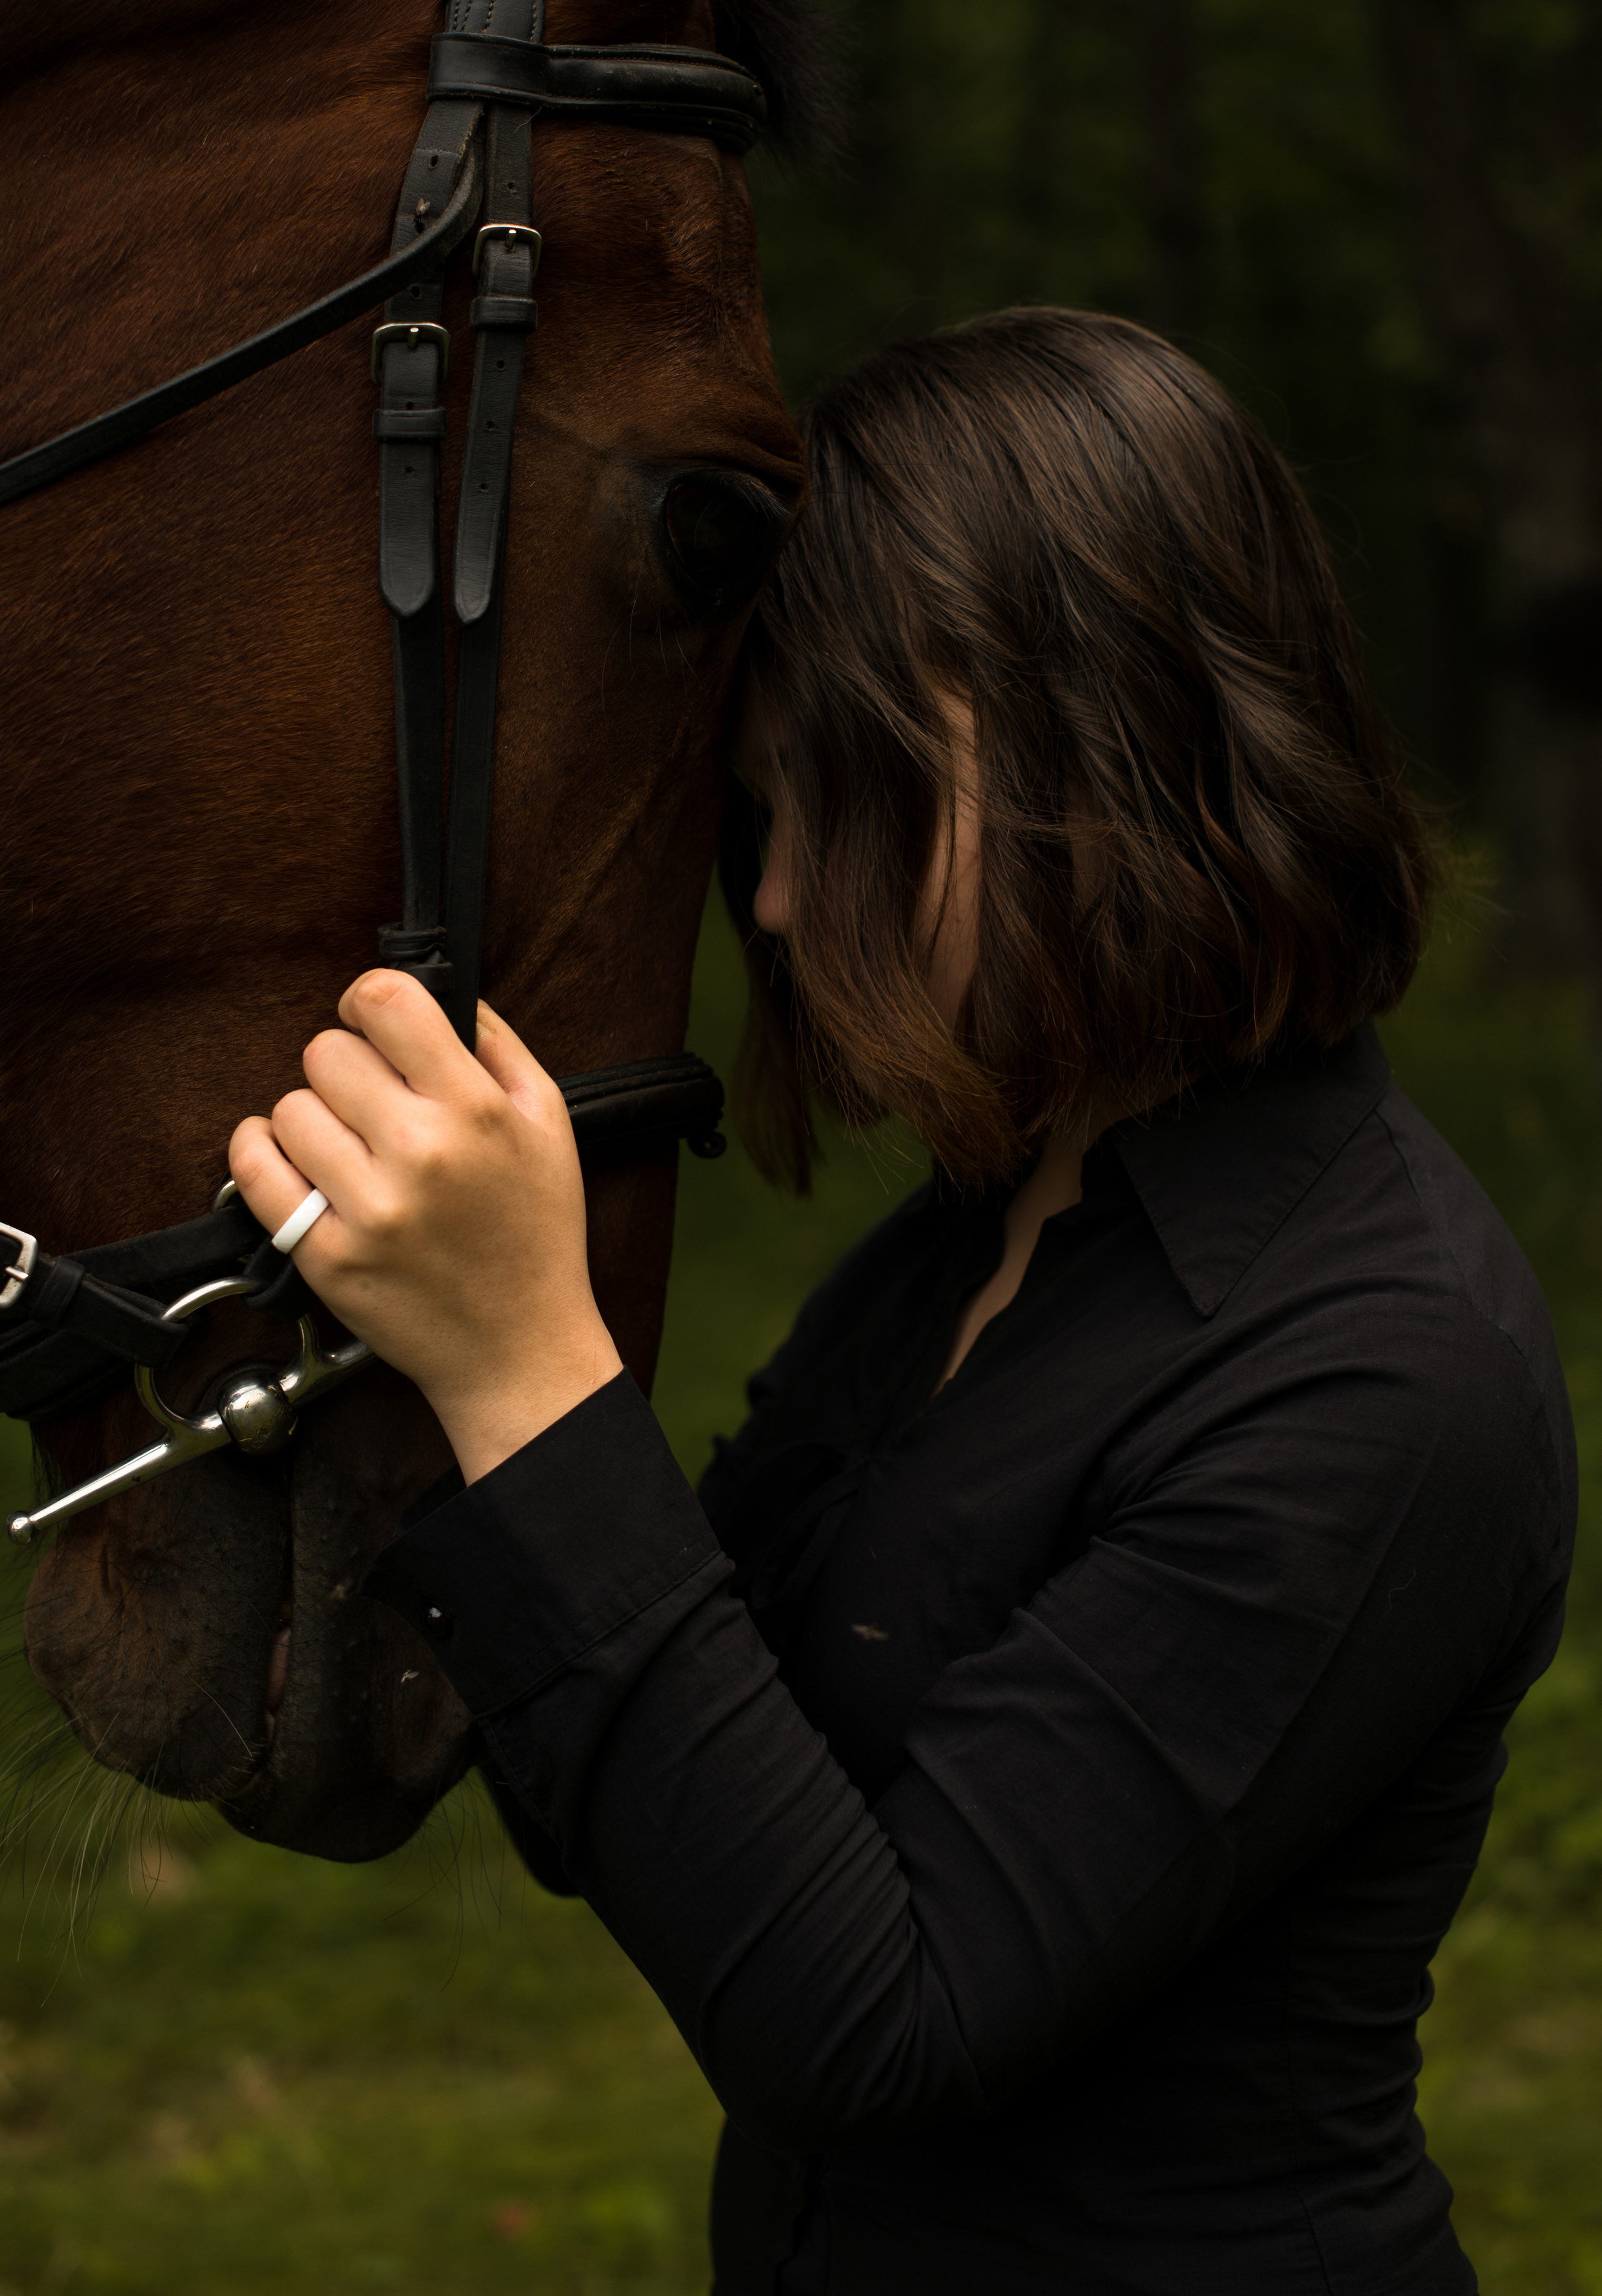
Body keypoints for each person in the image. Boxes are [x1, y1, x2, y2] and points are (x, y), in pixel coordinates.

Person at [230, 309, 1575, 2296]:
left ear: (1108, 751)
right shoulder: (987, 1224)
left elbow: (868, 2027)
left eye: (848, 804)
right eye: (767, 824)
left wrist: (529, 1369)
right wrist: (424, 1349)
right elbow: (657, 1795)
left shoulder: (1383, 1370)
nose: (770, 909)